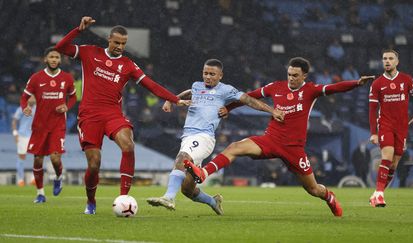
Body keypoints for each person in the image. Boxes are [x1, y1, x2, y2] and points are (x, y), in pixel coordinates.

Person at [185, 57, 375, 217]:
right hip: (271, 140)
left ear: (304, 76)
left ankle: (329, 197)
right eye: (289, 74)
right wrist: (228, 107)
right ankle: (204, 173)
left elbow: (334, 88)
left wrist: (355, 83)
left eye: (295, 75)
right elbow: (249, 96)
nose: (291, 78)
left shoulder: (310, 90)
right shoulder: (276, 87)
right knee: (235, 147)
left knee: (313, 189)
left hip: (294, 148)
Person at [55, 16, 190, 214]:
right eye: (116, 42)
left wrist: (175, 99)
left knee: (128, 145)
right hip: (89, 115)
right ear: (109, 39)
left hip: (113, 114)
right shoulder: (89, 52)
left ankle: (124, 197)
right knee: (94, 164)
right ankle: (91, 201)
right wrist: (78, 30)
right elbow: (60, 47)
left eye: (123, 44)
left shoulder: (128, 65)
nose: (119, 46)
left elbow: (150, 84)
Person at [146, 59, 283, 214]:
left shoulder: (226, 90)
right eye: (205, 73)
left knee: (181, 159)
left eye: (212, 74)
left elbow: (249, 100)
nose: (208, 77)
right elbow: (190, 92)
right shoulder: (197, 85)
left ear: (220, 76)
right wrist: (172, 100)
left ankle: (168, 197)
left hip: (204, 137)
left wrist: (272, 111)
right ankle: (213, 201)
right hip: (188, 137)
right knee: (187, 189)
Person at [20, 47, 77, 203]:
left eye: (56, 57)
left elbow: (73, 98)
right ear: (45, 59)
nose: (54, 59)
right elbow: (24, 97)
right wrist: (24, 107)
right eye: (51, 57)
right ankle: (40, 193)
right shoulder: (36, 78)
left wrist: (67, 106)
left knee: (55, 158)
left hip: (58, 125)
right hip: (39, 125)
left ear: (60, 60)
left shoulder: (67, 78)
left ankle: (58, 177)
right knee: (38, 160)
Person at [368, 49, 413, 207]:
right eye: (384, 58)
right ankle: (379, 195)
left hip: (402, 127)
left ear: (397, 62)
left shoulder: (407, 80)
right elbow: (372, 110)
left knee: (393, 164)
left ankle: (377, 193)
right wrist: (374, 133)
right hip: (385, 124)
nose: (387, 61)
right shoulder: (377, 84)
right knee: (387, 156)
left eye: (390, 58)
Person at [11, 95, 36, 187]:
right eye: (31, 97)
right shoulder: (22, 108)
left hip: (34, 136)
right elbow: (14, 120)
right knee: (22, 157)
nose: (33, 99)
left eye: (34, 97)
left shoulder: (38, 109)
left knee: (37, 156)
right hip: (23, 135)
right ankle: (20, 180)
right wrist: (15, 133)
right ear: (27, 98)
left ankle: (34, 179)